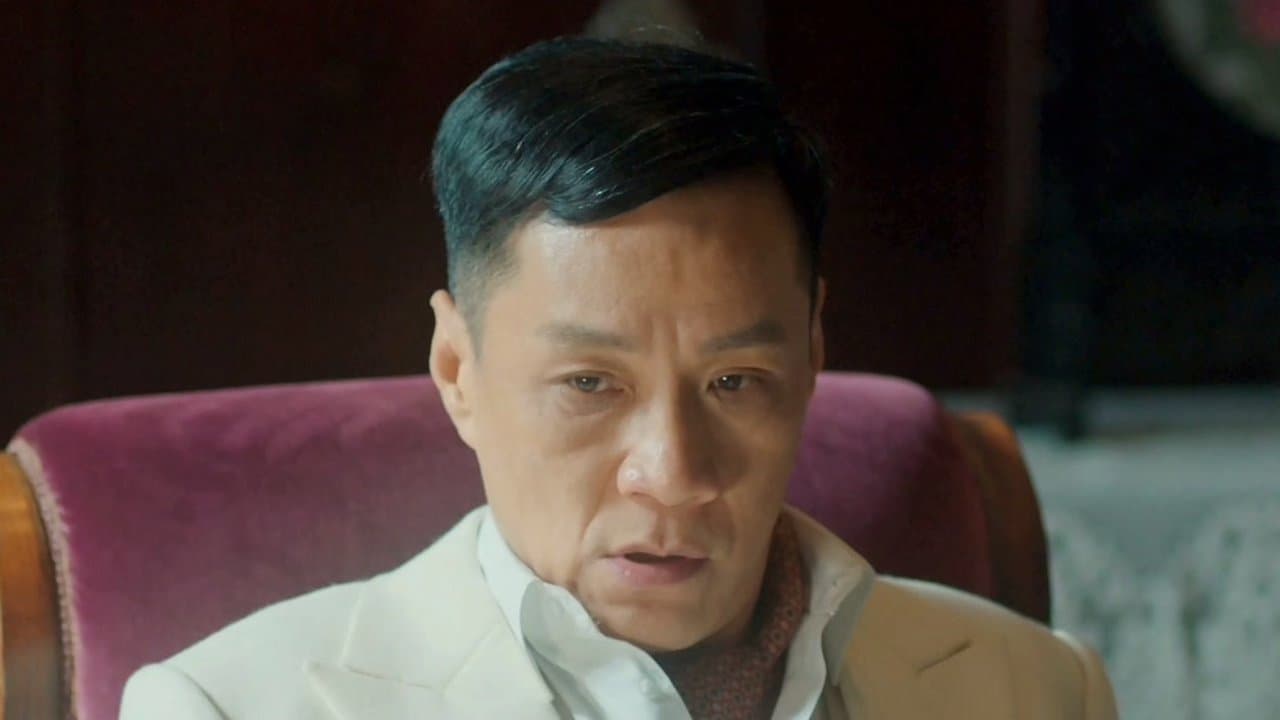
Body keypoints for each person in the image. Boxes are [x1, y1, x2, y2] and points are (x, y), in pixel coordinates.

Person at [120, 37, 1118, 720]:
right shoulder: (229, 708)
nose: (672, 474)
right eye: (590, 384)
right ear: (458, 370)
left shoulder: (1036, 691)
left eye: (735, 380)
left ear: (812, 355)